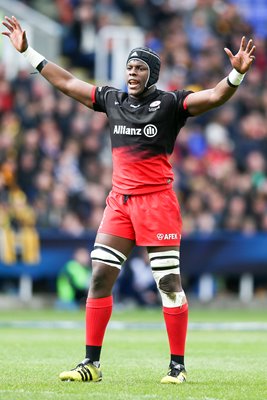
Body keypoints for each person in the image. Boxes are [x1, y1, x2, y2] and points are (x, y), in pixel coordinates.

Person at [2, 15, 256, 384]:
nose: (131, 73)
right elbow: (69, 83)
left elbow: (215, 96)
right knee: (100, 276)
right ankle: (91, 363)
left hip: (157, 203)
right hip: (120, 203)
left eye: (138, 68)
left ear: (152, 74)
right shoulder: (112, 99)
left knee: (169, 283)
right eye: (128, 68)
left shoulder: (171, 104)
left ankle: (177, 367)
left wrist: (236, 76)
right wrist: (29, 54)